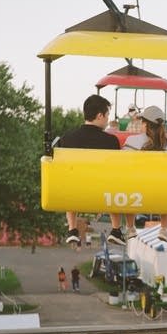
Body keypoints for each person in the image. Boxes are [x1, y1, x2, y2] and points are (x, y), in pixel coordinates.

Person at [57, 95, 125, 246]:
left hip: (74, 193)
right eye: (107, 116)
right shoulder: (111, 141)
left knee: (71, 181)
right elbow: (116, 170)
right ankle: (115, 229)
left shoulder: (66, 139)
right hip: (103, 193)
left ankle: (72, 228)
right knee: (117, 183)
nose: (107, 120)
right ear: (100, 115)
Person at [123, 106, 167, 242]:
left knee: (127, 183)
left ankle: (130, 227)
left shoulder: (131, 142)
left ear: (144, 123)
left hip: (136, 192)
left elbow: (124, 167)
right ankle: (164, 228)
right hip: (161, 193)